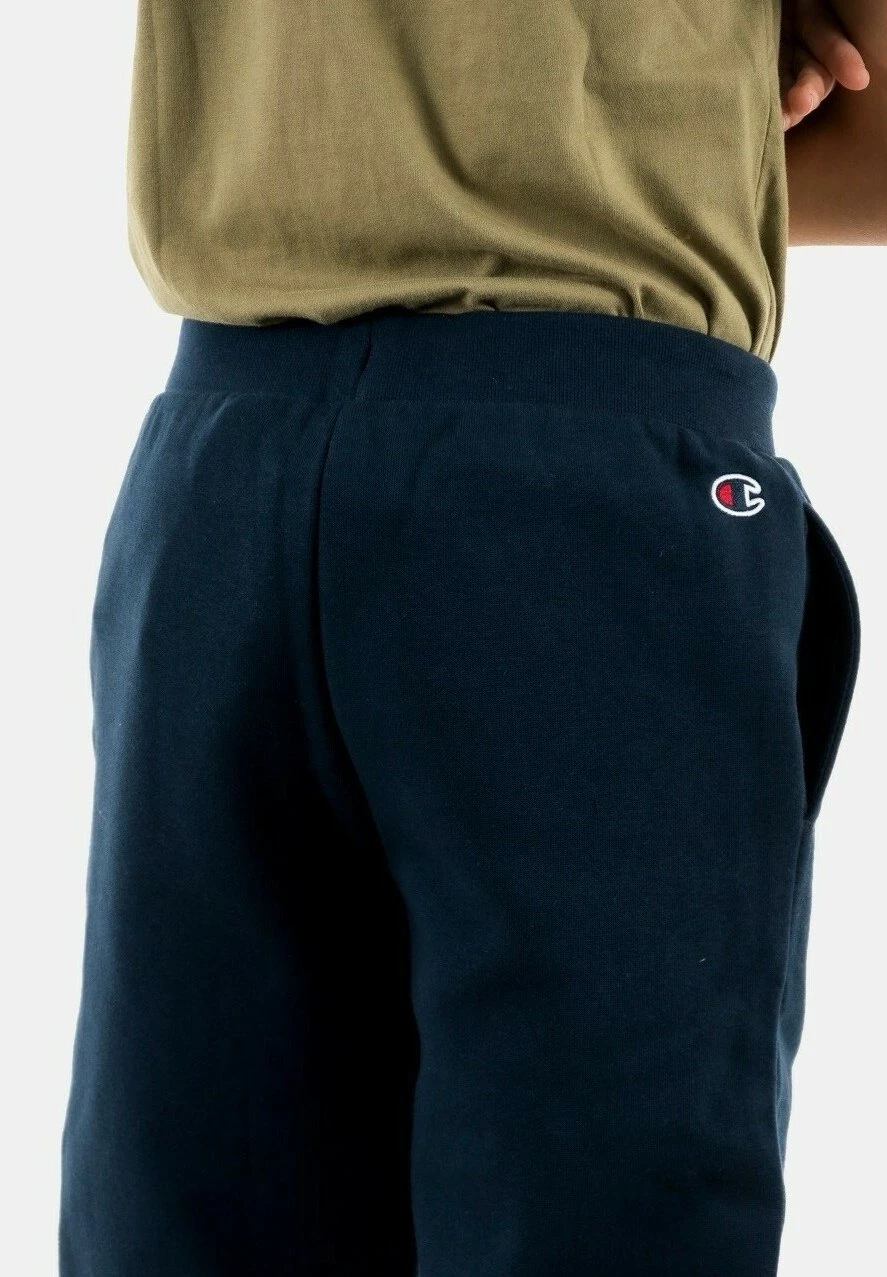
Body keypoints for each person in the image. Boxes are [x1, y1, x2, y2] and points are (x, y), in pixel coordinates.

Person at [58, 2, 881, 1273]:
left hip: (224, 467)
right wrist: (650, 108)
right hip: (575, 460)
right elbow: (873, 141)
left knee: (191, 1213)